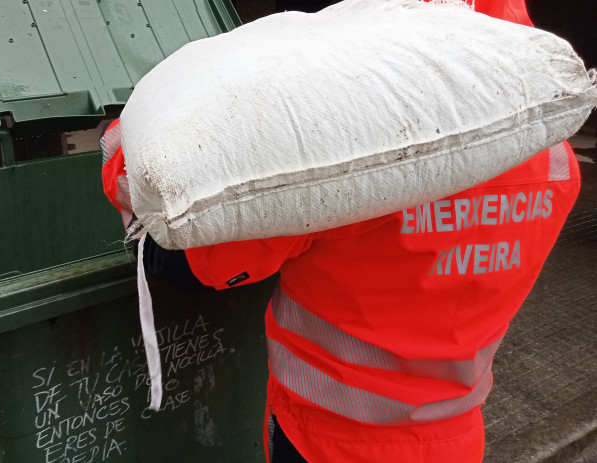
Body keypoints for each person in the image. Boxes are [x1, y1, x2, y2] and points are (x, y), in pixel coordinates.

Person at [100, 1, 581, 461]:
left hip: (326, 442)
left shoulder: (344, 161)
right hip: (455, 437)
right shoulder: (557, 161)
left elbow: (189, 262)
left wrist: (121, 153)